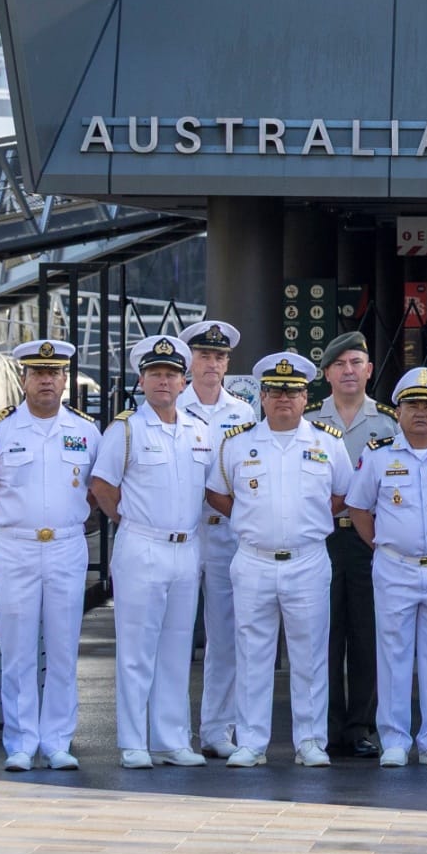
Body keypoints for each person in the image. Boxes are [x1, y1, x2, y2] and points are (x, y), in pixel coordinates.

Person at [205, 352, 354, 768]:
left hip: (307, 559)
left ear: (307, 397)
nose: (283, 399)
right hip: (253, 559)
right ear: (262, 398)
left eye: (292, 392)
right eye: (274, 392)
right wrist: (253, 520)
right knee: (252, 654)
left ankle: (310, 742)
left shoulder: (327, 442)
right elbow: (217, 492)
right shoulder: (238, 442)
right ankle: (252, 742)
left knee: (310, 655)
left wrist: (311, 520)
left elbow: (344, 494)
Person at [0, 339, 99, 772]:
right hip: (15, 547)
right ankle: (19, 742)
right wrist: (4, 518)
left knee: (62, 648)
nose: (46, 381)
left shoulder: (85, 430)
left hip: (64, 546)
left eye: (53, 374)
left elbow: (100, 488)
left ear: (64, 381)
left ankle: (58, 741)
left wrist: (74, 519)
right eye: (37, 373)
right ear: (24, 379)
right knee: (17, 649)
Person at [347, 367, 427, 767]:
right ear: (398, 412)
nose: (421, 413)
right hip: (394, 567)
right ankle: (394, 739)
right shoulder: (378, 454)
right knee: (393, 654)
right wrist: (385, 542)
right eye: (412, 405)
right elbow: (358, 507)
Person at [90, 335, 212, 769]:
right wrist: (129, 521)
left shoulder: (200, 430)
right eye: (156, 374)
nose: (164, 382)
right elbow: (102, 486)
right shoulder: (125, 429)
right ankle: (133, 741)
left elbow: (213, 489)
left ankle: (172, 739)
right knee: (137, 650)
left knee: (178, 650)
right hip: (142, 545)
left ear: (184, 382)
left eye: (172, 375)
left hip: (186, 548)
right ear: (141, 380)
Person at [306, 331, 397, 759]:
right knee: (322, 635)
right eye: (340, 364)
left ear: (369, 370)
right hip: (318, 539)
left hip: (365, 539)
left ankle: (361, 725)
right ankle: (326, 725)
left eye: (356, 363)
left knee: (366, 636)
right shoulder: (305, 420)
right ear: (326, 373)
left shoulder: (387, 421)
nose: (348, 371)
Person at [176, 320, 256, 759]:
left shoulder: (243, 412)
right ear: (189, 359)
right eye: (204, 356)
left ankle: (215, 730)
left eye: (219, 357)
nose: (212, 364)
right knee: (172, 636)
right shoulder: (171, 402)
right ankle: (167, 730)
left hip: (226, 534)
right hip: (183, 533)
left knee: (226, 636)